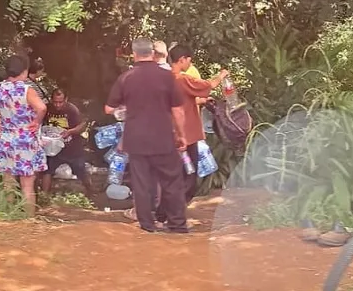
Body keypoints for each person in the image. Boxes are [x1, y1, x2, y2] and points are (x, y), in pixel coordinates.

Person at [105, 37, 189, 233]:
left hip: (136, 139)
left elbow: (108, 108)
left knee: (142, 183)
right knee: (172, 181)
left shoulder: (126, 78)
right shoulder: (167, 77)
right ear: (153, 53)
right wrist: (181, 135)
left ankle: (147, 225)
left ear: (134, 54)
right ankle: (178, 224)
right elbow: (178, 111)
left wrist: (126, 107)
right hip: (163, 138)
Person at [0, 55, 47, 217]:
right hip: (26, 140)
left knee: (8, 182)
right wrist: (36, 121)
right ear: (25, 71)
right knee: (27, 185)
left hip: (7, 139)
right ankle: (29, 220)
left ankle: (9, 217)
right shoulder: (27, 90)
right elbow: (41, 108)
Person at [165, 45, 228, 205]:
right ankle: (173, 211)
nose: (190, 65)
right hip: (186, 135)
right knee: (189, 177)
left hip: (168, 134)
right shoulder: (182, 79)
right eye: (189, 61)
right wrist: (222, 75)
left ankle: (164, 212)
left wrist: (202, 100)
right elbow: (210, 85)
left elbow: (185, 99)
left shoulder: (165, 79)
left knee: (174, 175)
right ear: (182, 60)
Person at [41, 88, 94, 197]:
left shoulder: (72, 110)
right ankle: (44, 196)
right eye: (55, 102)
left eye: (60, 102)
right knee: (47, 170)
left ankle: (91, 191)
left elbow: (82, 126)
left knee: (80, 170)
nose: (57, 105)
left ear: (66, 99)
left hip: (72, 147)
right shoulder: (47, 108)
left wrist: (71, 131)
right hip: (54, 148)